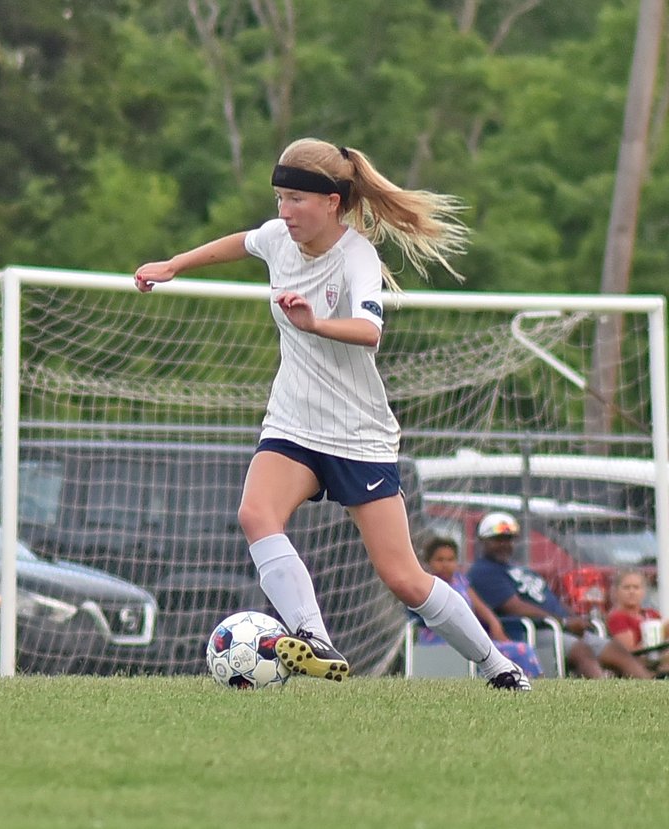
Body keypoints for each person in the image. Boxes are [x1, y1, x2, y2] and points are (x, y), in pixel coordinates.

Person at [134, 137, 530, 690]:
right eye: (279, 198)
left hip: (358, 435)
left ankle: (498, 665)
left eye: (297, 199)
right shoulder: (278, 238)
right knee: (256, 514)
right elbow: (240, 243)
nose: (284, 212)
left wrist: (314, 323)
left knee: (405, 579)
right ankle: (312, 637)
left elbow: (369, 332)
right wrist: (175, 264)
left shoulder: (356, 257)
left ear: (332, 203)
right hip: (293, 423)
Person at [467, 511, 652, 679]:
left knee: (616, 650)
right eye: (497, 539)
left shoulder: (519, 568)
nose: (504, 545)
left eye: (508, 539)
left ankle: (650, 695)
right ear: (483, 541)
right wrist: (563, 623)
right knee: (581, 650)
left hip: (560, 626)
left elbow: (550, 600)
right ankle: (602, 696)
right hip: (532, 630)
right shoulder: (483, 572)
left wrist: (574, 618)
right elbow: (514, 606)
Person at [417, 536, 542, 678]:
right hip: (440, 642)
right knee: (514, 651)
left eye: (450, 559)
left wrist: (495, 624)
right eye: (440, 560)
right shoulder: (426, 585)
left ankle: (533, 687)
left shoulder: (460, 581)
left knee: (523, 650)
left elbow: (481, 607)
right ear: (428, 563)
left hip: (468, 641)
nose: (445, 564)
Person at [606, 569, 669, 676]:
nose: (632, 591)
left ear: (643, 592)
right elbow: (629, 653)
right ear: (616, 592)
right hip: (641, 665)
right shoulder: (617, 617)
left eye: (636, 587)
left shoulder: (652, 614)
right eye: (626, 587)